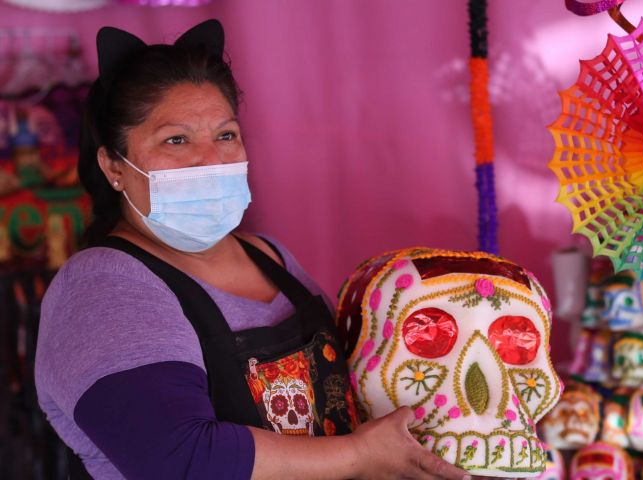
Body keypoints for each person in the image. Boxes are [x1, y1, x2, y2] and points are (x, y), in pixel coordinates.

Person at [34, 19, 470, 480]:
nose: (211, 159)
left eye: (225, 135)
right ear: (113, 167)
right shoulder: (102, 287)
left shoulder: (270, 257)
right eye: (175, 140)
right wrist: (360, 457)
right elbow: (177, 459)